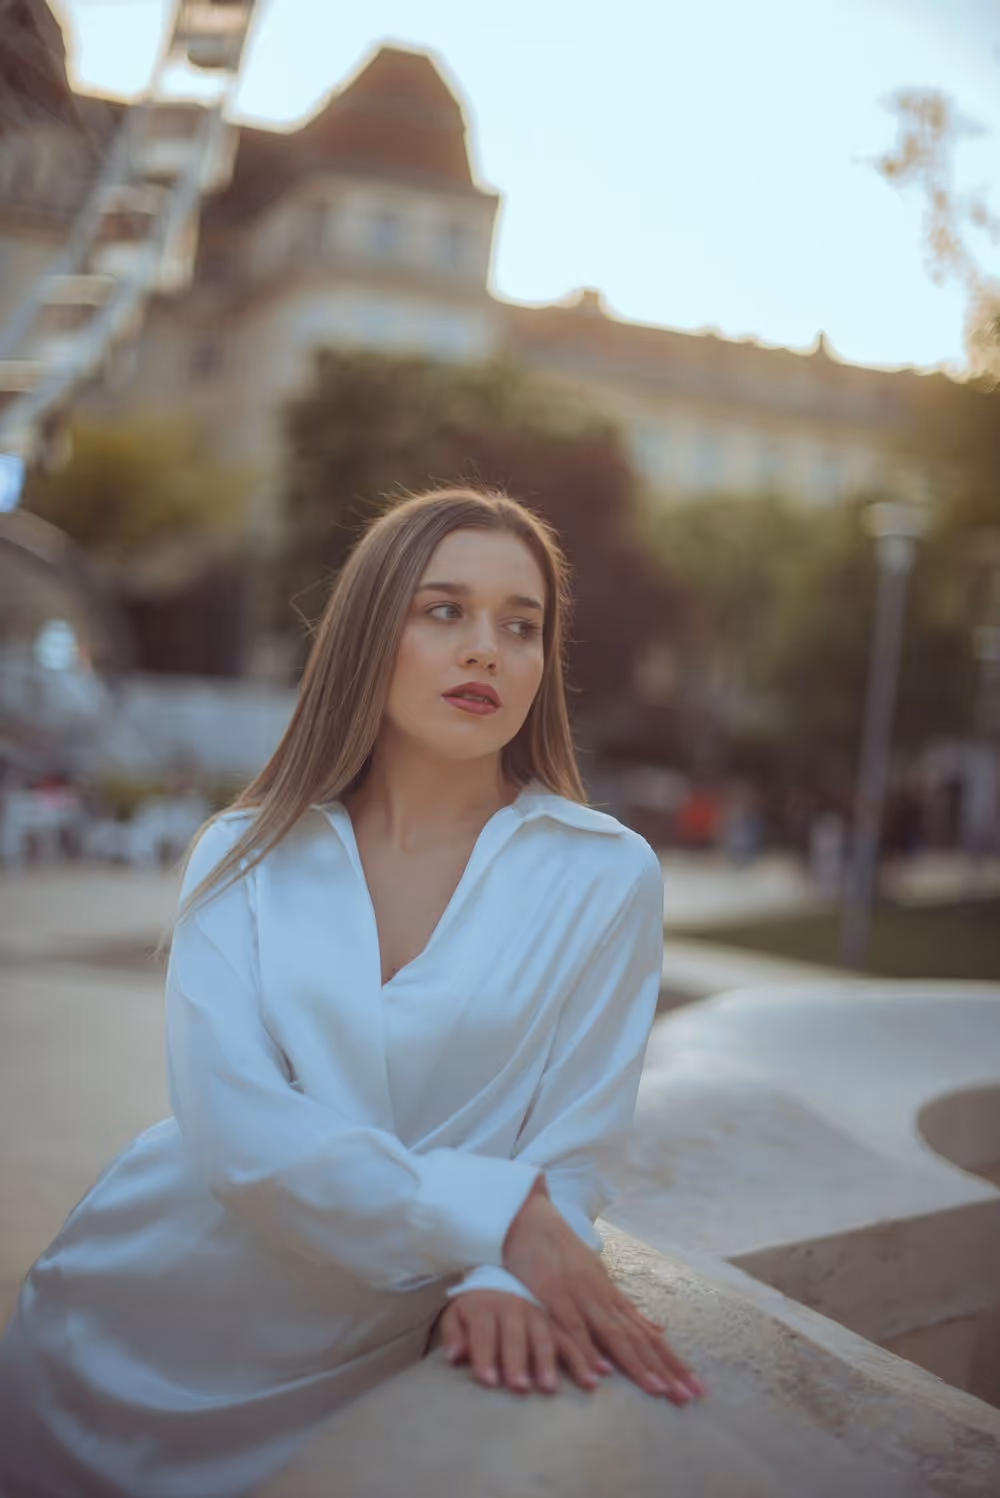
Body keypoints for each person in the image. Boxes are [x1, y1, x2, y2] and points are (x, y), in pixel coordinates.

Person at [0, 487, 706, 1498]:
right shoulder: (241, 853)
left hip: (353, 1375)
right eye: (443, 609)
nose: (486, 650)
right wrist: (499, 1221)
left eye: (522, 625)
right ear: (372, 630)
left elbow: (573, 1148)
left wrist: (504, 1275)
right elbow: (236, 1128)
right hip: (119, 1327)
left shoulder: (604, 874)